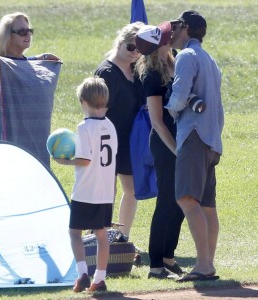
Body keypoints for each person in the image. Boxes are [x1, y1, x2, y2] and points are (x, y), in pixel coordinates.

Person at [165, 10, 224, 281]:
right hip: (212, 139)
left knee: (187, 199)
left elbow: (178, 97)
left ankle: (204, 265)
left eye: (176, 26)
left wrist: (168, 107)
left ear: (186, 28)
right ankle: (206, 264)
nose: (173, 32)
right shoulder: (209, 59)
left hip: (194, 136)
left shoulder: (187, 56)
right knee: (207, 205)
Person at [54, 77, 118, 293]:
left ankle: (82, 273)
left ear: (83, 101)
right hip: (105, 191)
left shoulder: (84, 127)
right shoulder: (111, 126)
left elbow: (85, 160)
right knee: (101, 234)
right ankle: (100, 278)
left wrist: (64, 161)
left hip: (85, 190)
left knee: (74, 232)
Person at [135, 22, 185, 279]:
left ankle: (169, 256)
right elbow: (157, 121)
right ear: (159, 45)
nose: (172, 37)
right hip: (166, 143)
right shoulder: (152, 74)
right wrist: (177, 150)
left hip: (181, 141)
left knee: (184, 200)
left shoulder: (177, 61)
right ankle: (155, 263)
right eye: (168, 37)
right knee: (167, 200)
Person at [94, 22, 146, 240]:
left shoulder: (137, 68)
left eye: (140, 49)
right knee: (107, 192)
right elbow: (97, 112)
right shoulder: (107, 73)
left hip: (130, 140)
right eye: (131, 47)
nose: (135, 53)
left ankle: (122, 237)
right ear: (120, 42)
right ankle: (99, 237)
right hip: (107, 139)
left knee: (132, 190)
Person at [0, 12, 60, 165]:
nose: (28, 35)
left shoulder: (27, 63)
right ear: (8, 36)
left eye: (29, 31)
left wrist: (41, 58)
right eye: (22, 32)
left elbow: (21, 65)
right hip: (9, 137)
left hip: (35, 137)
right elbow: (6, 71)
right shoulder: (0, 66)